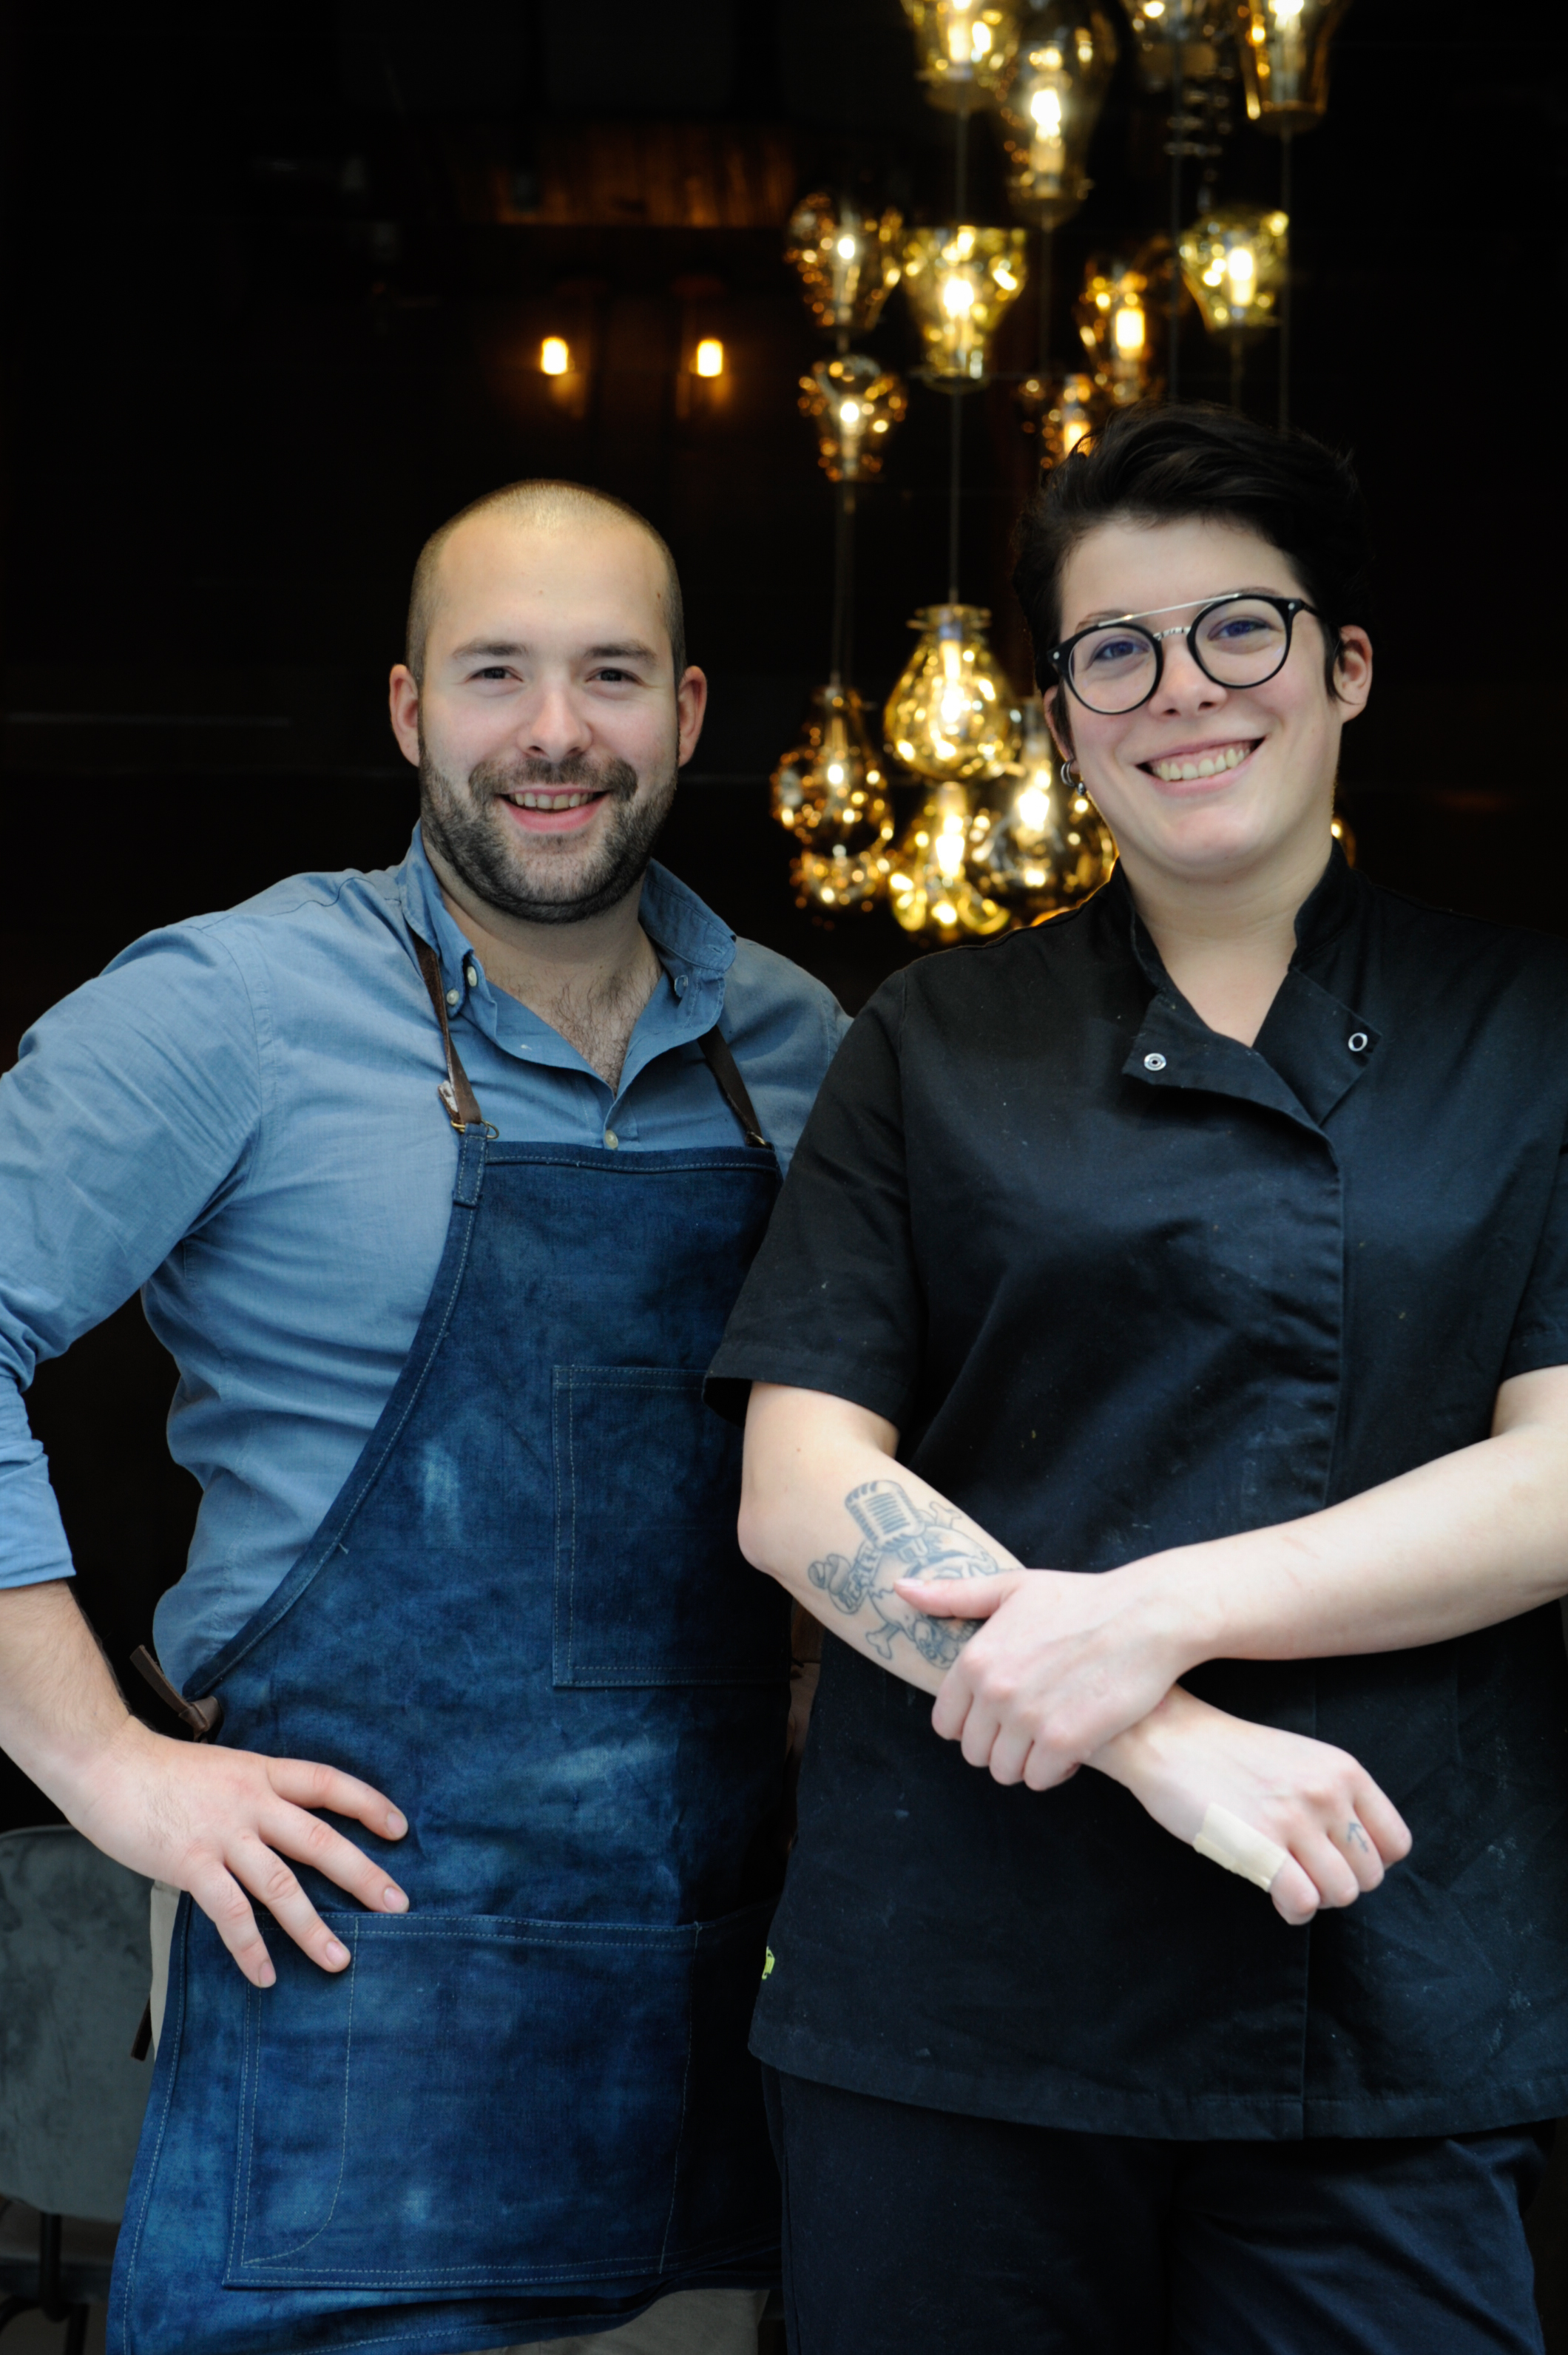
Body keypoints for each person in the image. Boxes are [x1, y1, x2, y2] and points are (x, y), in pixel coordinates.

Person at [712, 403, 1568, 2355]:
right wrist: (1151, 1729)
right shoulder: (932, 1037)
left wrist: (1152, 1613)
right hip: (956, 1982)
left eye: (1240, 627)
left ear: (1347, 667)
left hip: (1385, 1974)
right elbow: (796, 1481)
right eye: (1116, 650)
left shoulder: (1530, 1027)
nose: (1182, 689)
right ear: (1062, 720)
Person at [0, 480, 848, 2355]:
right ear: (406, 709)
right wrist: (101, 1765)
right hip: (343, 2003)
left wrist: (817, 1671)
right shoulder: (233, 1005)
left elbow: (880, 1444)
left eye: (609, 674)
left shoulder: (802, 1052)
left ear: (688, 712)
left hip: (721, 2009)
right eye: (494, 673)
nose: (555, 730)